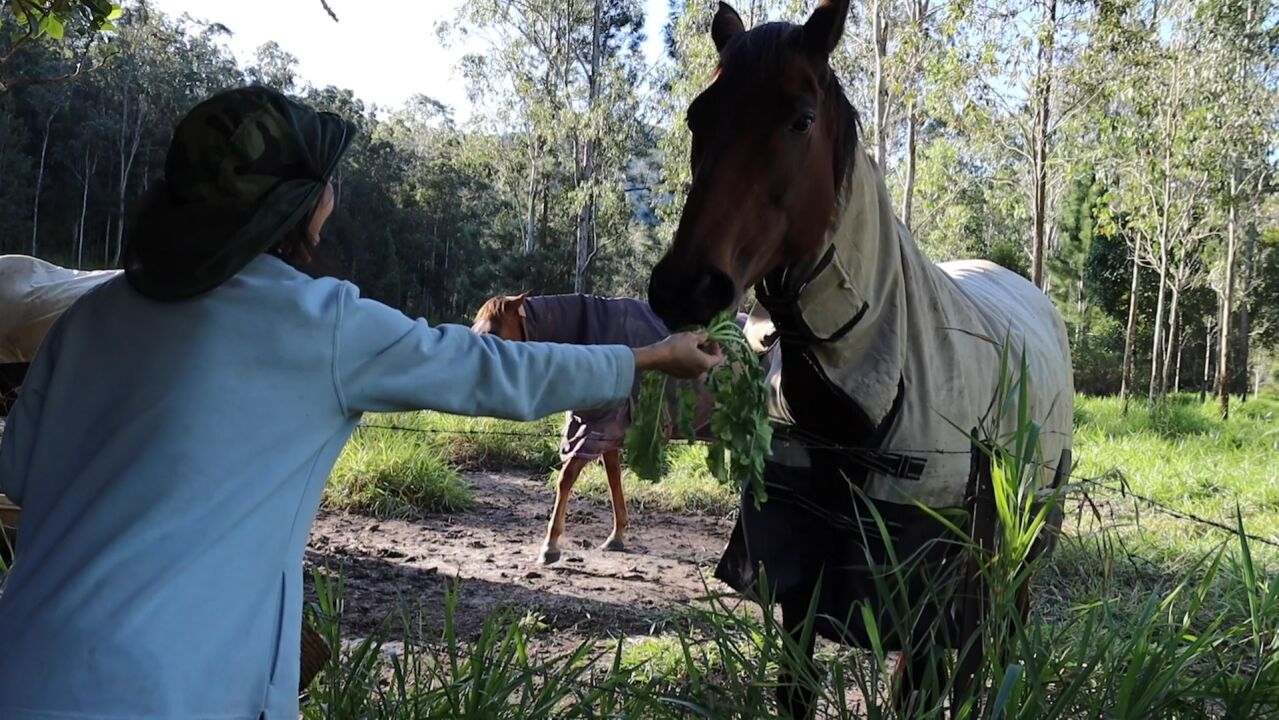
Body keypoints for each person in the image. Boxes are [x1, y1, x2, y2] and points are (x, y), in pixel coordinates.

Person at [0, 86, 720, 720]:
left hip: (22, 668)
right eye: (329, 183)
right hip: (167, 690)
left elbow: (22, 473)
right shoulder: (319, 323)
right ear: (305, 206)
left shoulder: (93, 316)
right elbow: (490, 369)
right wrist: (649, 357)